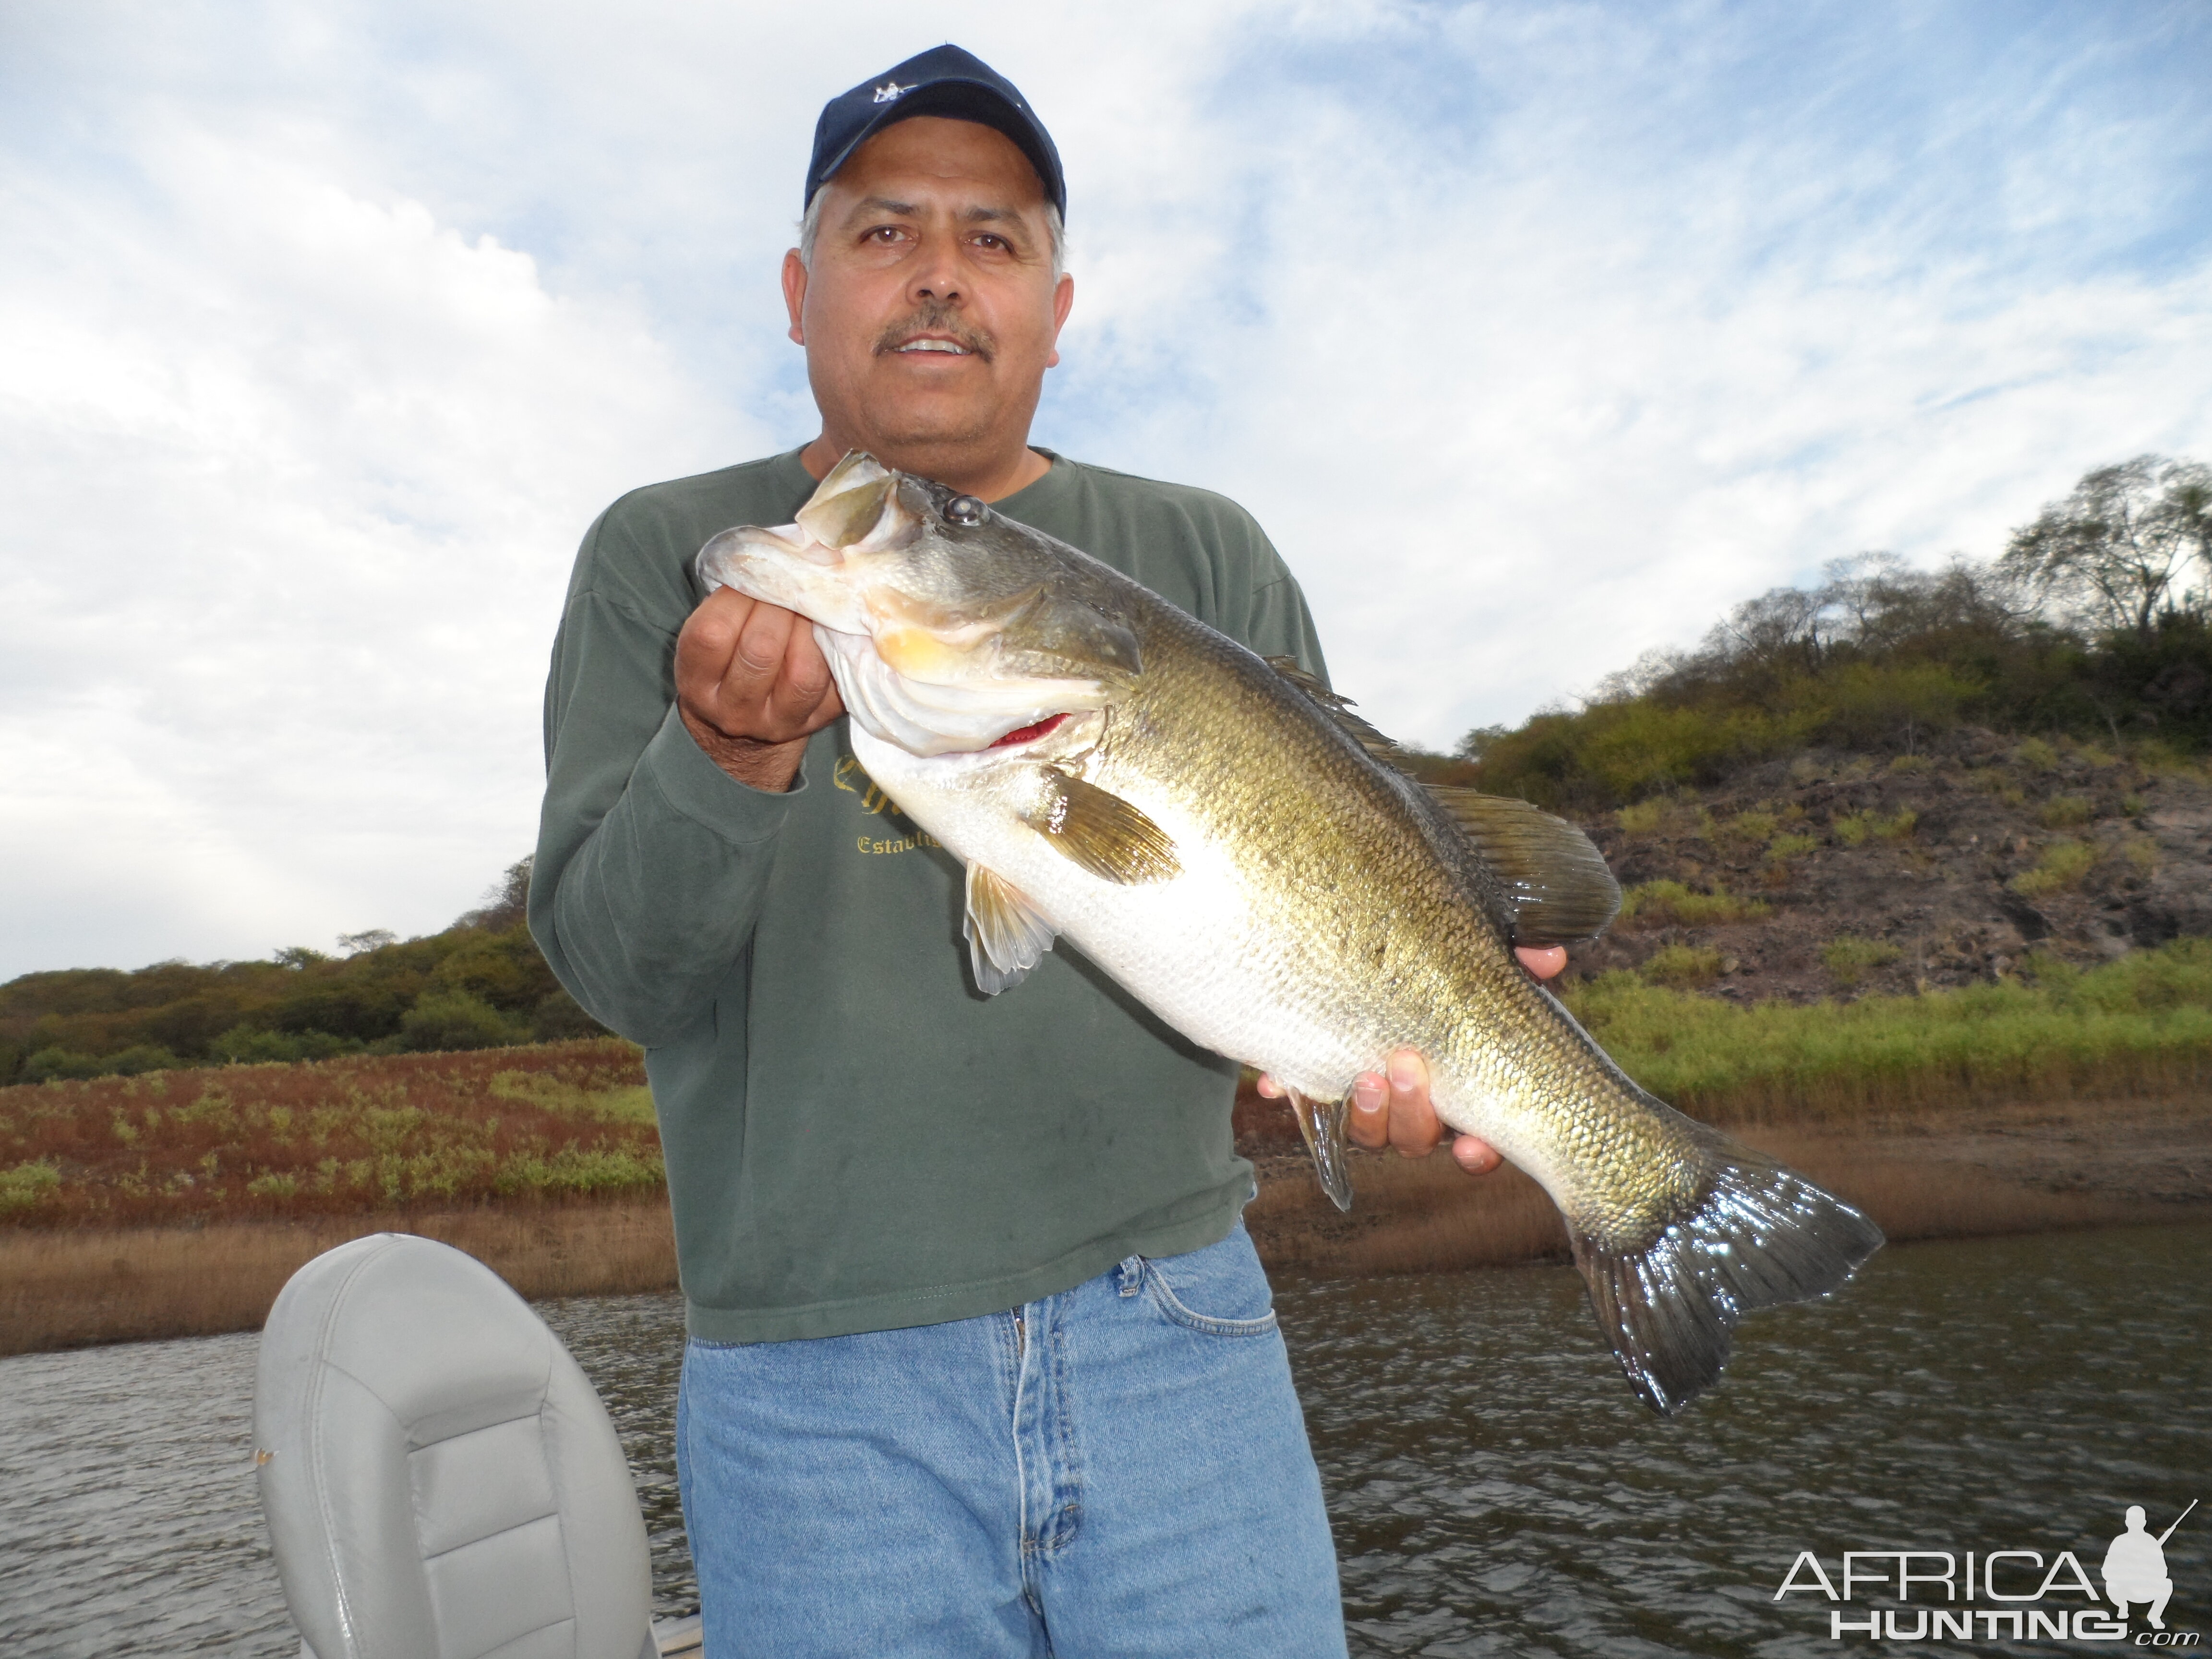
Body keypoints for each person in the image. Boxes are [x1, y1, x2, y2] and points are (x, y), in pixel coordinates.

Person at [530, 44, 1560, 1658]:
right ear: (798, 291)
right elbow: (615, 971)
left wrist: (1370, 1047)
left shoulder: (1208, 552)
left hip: (1179, 1331)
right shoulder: (655, 552)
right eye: (884, 234)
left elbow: (1286, 929)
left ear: (1056, 310)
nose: (939, 276)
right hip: (811, 1395)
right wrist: (723, 754)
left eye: (991, 238)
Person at [2103, 1506, 2174, 1630]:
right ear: (2127, 1523)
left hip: (2146, 1590)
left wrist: (2146, 1570)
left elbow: (2163, 1572)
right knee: (2111, 1584)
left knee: (2168, 1584)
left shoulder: (2152, 1542)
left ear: (2144, 1523)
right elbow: (2106, 1571)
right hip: (2124, 1590)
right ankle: (2122, 1607)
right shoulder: (2119, 1541)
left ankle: (2155, 1616)